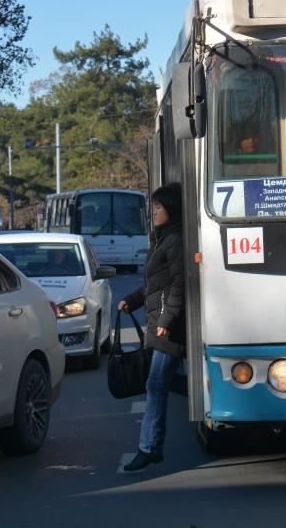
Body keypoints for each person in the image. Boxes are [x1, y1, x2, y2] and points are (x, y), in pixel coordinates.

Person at [118, 183, 186, 472]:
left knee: (156, 384)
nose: (154, 212)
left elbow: (179, 285)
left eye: (159, 208)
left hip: (169, 327)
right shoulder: (161, 239)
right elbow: (153, 284)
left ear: (170, 210)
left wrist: (167, 320)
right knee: (158, 384)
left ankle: (149, 447)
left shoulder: (175, 241)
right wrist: (131, 301)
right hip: (159, 322)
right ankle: (151, 446)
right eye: (154, 207)